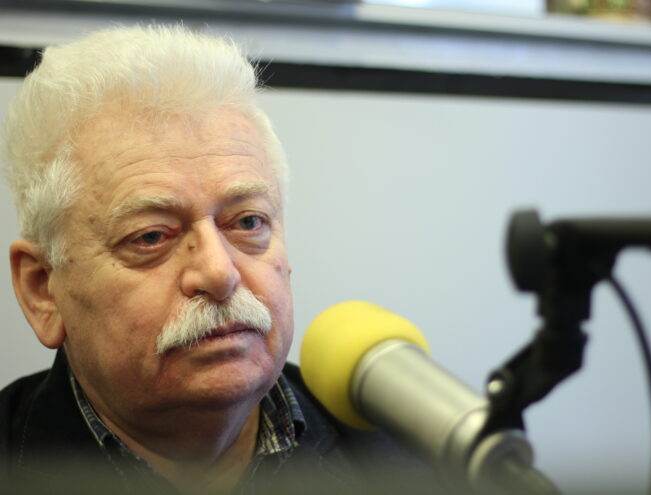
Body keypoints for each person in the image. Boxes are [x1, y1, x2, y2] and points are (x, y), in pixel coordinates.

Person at [0, 25, 416, 494]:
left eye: (248, 222)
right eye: (151, 236)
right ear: (42, 290)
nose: (220, 273)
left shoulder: (406, 454)